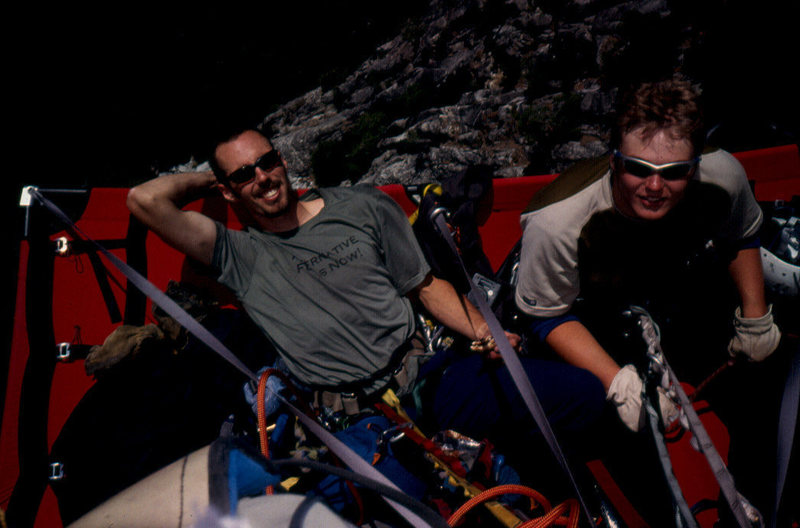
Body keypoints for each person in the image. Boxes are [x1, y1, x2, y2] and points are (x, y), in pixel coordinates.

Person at [127, 126, 605, 497]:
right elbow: (143, 200)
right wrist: (210, 179)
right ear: (228, 190)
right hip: (359, 422)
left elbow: (423, 285)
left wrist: (486, 330)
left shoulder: (360, 207)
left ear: (283, 160)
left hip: (426, 377)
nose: (262, 178)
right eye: (244, 175)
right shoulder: (239, 254)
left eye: (267, 162)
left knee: (581, 395)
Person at [513, 78, 784, 522]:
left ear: (695, 167)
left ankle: (750, 506)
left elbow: (741, 234)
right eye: (638, 168)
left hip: (673, 286)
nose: (655, 186)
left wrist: (754, 317)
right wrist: (614, 378)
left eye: (674, 173)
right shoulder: (558, 221)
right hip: (592, 313)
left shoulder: (724, 177)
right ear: (614, 161)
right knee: (621, 423)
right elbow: (546, 315)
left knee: (765, 374)